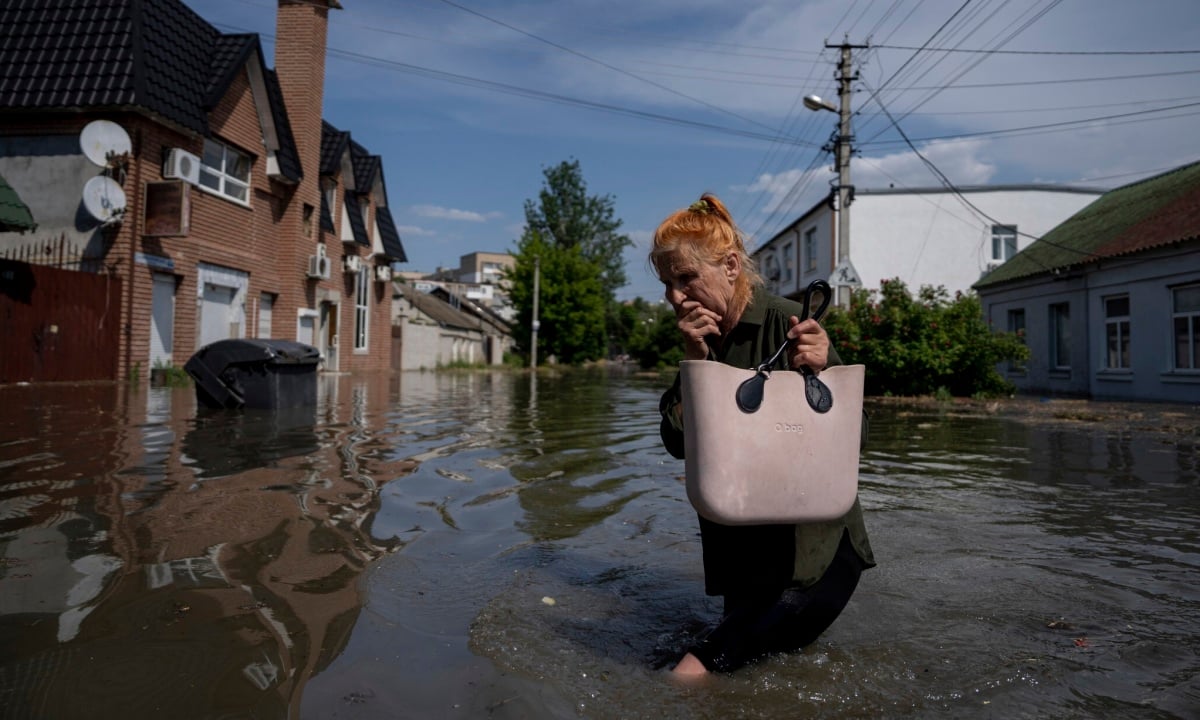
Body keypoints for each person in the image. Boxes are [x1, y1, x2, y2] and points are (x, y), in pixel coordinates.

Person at [651, 193, 875, 677]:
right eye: (666, 283)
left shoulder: (788, 321)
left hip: (813, 559)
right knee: (748, 675)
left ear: (731, 266)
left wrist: (820, 366)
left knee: (690, 674)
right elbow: (676, 445)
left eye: (686, 278)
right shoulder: (703, 339)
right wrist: (694, 362)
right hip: (746, 559)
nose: (674, 296)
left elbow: (856, 439)